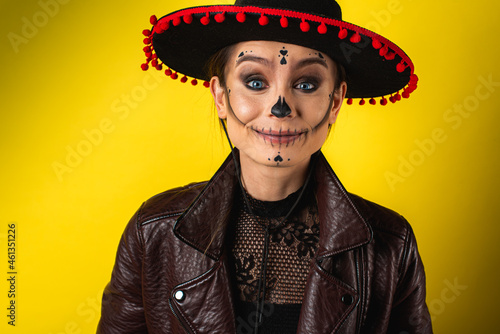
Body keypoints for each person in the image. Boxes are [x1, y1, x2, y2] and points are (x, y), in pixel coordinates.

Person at [97, 0, 431, 333]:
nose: (280, 107)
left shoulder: (390, 246)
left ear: (335, 102)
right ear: (220, 97)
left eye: (307, 84)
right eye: (255, 81)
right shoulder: (154, 232)